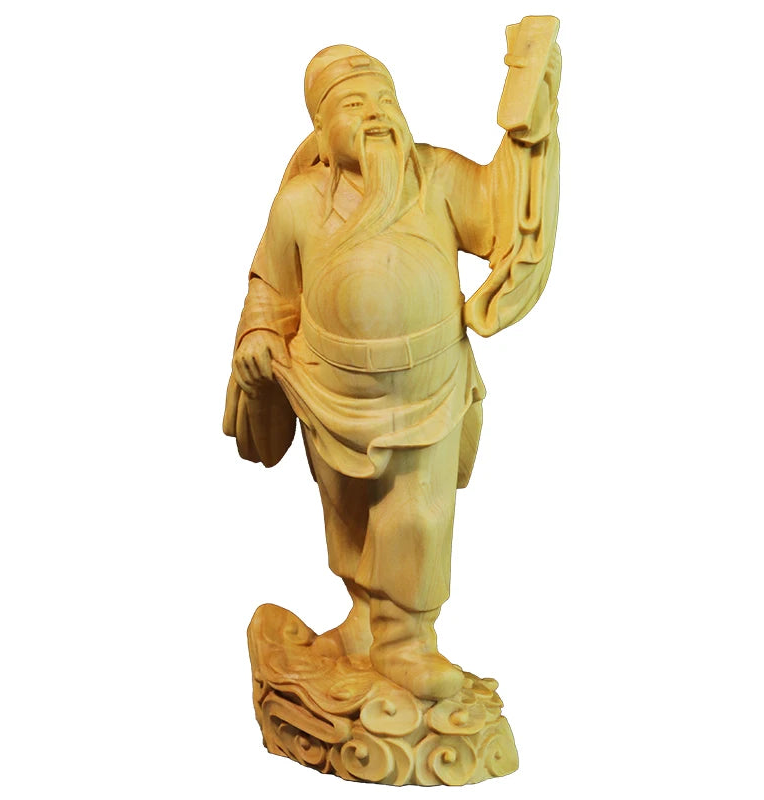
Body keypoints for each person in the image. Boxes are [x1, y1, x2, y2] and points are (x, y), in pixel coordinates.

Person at [224, 42, 560, 700]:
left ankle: (407, 642)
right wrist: (259, 334)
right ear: (321, 129)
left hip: (428, 386)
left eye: (386, 100)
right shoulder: (299, 203)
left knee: (418, 515)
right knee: (353, 522)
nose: (376, 114)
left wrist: (531, 121)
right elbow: (271, 286)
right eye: (354, 104)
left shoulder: (437, 177)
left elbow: (503, 210)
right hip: (330, 391)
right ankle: (366, 626)